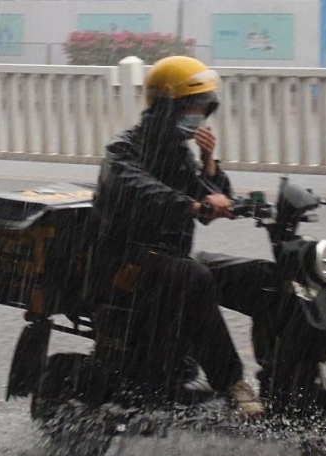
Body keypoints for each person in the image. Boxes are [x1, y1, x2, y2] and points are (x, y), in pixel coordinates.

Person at [89, 55, 269, 418]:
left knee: (263, 278)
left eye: (204, 106)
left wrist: (210, 163)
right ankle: (232, 383)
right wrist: (193, 206)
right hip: (127, 265)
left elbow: (210, 195)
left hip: (171, 260)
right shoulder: (124, 149)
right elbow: (140, 189)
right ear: (168, 105)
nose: (199, 114)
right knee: (194, 275)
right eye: (193, 105)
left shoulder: (181, 153)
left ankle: (285, 381)